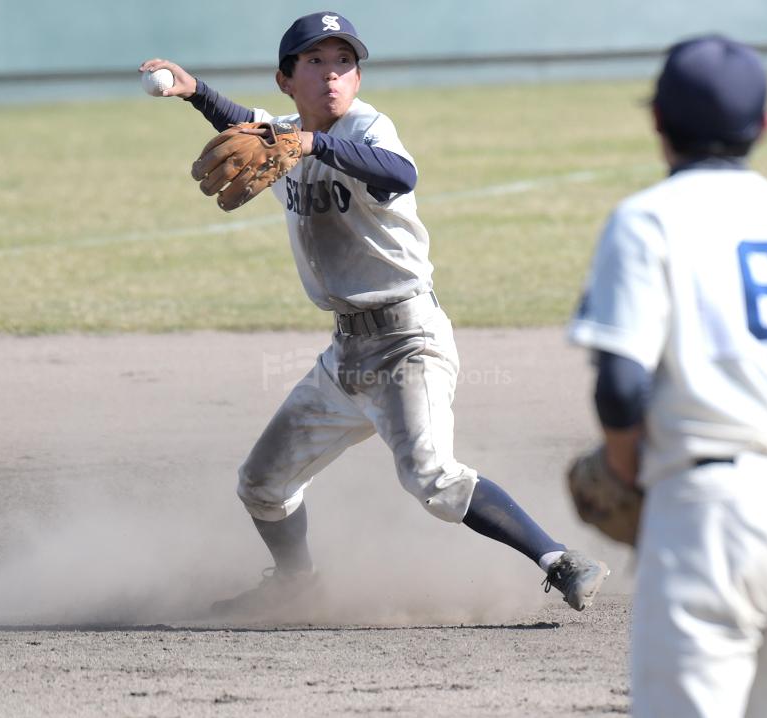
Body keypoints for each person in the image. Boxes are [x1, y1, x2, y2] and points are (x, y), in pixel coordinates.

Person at [139, 11, 609, 619]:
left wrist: (311, 143)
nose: (332, 75)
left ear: (358, 78)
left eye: (344, 62)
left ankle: (560, 561)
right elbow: (246, 124)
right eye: (315, 62)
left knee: (432, 479)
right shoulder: (282, 138)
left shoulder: (369, 128)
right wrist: (195, 92)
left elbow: (399, 173)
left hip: (410, 342)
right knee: (261, 484)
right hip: (345, 358)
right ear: (286, 80)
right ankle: (297, 584)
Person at [567, 34, 767, 717]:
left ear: (658, 121)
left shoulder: (646, 221)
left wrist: (628, 468)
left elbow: (620, 386)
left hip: (709, 515)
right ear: (764, 124)